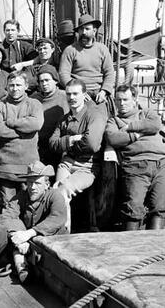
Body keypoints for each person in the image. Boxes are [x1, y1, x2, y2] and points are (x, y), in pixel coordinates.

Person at [49, 79, 106, 232]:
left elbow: (92, 144)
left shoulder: (94, 115)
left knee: (64, 189)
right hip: (67, 163)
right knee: (56, 194)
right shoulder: (64, 119)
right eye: (69, 94)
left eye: (76, 94)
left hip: (87, 166)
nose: (72, 97)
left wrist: (68, 146)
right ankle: (62, 231)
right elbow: (52, 143)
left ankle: (64, 234)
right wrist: (71, 139)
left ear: (84, 95)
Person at [105, 85, 165, 230]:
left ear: (135, 100)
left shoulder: (146, 113)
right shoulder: (114, 121)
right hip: (135, 165)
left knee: (160, 208)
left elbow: (155, 125)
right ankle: (131, 249)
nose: (122, 103)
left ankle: (154, 248)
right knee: (133, 209)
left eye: (125, 99)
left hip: (161, 164)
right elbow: (113, 138)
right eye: (118, 100)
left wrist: (130, 126)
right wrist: (137, 135)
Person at [0, 161, 67, 282]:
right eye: (29, 183)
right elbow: (6, 216)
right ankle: (23, 270)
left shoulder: (55, 196)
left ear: (46, 184)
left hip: (55, 244)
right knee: (13, 245)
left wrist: (29, 234)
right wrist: (19, 237)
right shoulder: (21, 197)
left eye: (37, 183)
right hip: (27, 245)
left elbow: (57, 218)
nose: (32, 187)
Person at [0, 71, 43, 205]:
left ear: (26, 86)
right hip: (5, 167)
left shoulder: (34, 104)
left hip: (29, 166)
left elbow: (36, 123)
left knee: (29, 204)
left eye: (18, 85)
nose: (15, 88)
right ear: (7, 87)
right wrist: (25, 132)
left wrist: (11, 122)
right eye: (11, 85)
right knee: (8, 205)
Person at [59, 14, 115, 105]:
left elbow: (109, 73)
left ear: (94, 31)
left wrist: (104, 91)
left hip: (99, 92)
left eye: (87, 29)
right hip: (77, 93)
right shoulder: (70, 50)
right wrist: (78, 92)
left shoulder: (102, 49)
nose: (84, 32)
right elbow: (63, 74)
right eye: (81, 29)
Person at [31, 65, 70, 168]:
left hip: (59, 146)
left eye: (47, 80)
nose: (44, 84)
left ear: (56, 81)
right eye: (41, 81)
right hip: (38, 146)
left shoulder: (66, 96)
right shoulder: (34, 99)